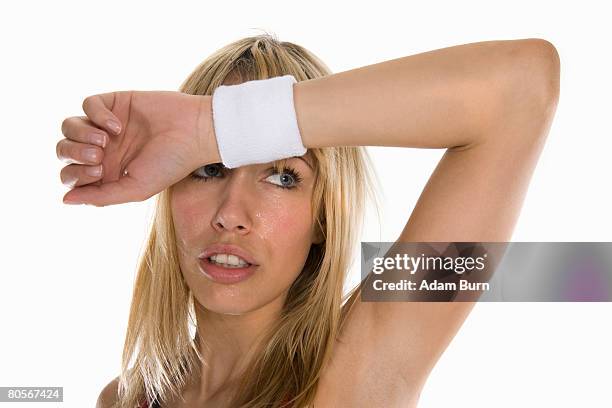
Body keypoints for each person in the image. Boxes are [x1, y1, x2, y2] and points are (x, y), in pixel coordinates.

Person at [56, 34, 560, 407]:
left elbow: (522, 88)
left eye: (282, 177)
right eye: (206, 169)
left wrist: (212, 128)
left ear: (324, 216)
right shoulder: (126, 399)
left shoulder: (359, 372)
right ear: (167, 194)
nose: (231, 215)